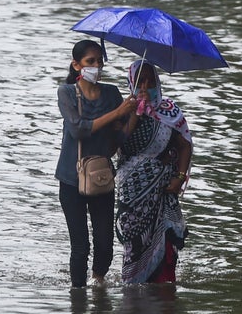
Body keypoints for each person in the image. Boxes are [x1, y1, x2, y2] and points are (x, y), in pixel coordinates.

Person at [55, 40, 138, 288]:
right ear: (76, 64)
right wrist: (118, 112)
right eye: (91, 61)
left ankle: (98, 282)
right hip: (71, 178)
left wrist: (132, 114)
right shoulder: (67, 92)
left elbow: (118, 137)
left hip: (102, 176)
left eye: (100, 61)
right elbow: (79, 130)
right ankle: (77, 298)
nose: (96, 66)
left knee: (104, 242)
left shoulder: (112, 93)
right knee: (80, 245)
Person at [115, 60, 193, 284]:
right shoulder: (123, 110)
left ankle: (164, 288)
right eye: (140, 81)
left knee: (166, 242)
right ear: (131, 83)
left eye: (151, 80)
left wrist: (179, 178)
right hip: (132, 190)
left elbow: (184, 145)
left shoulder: (169, 110)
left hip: (163, 189)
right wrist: (136, 114)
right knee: (134, 241)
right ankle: (133, 292)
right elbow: (118, 144)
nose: (146, 85)